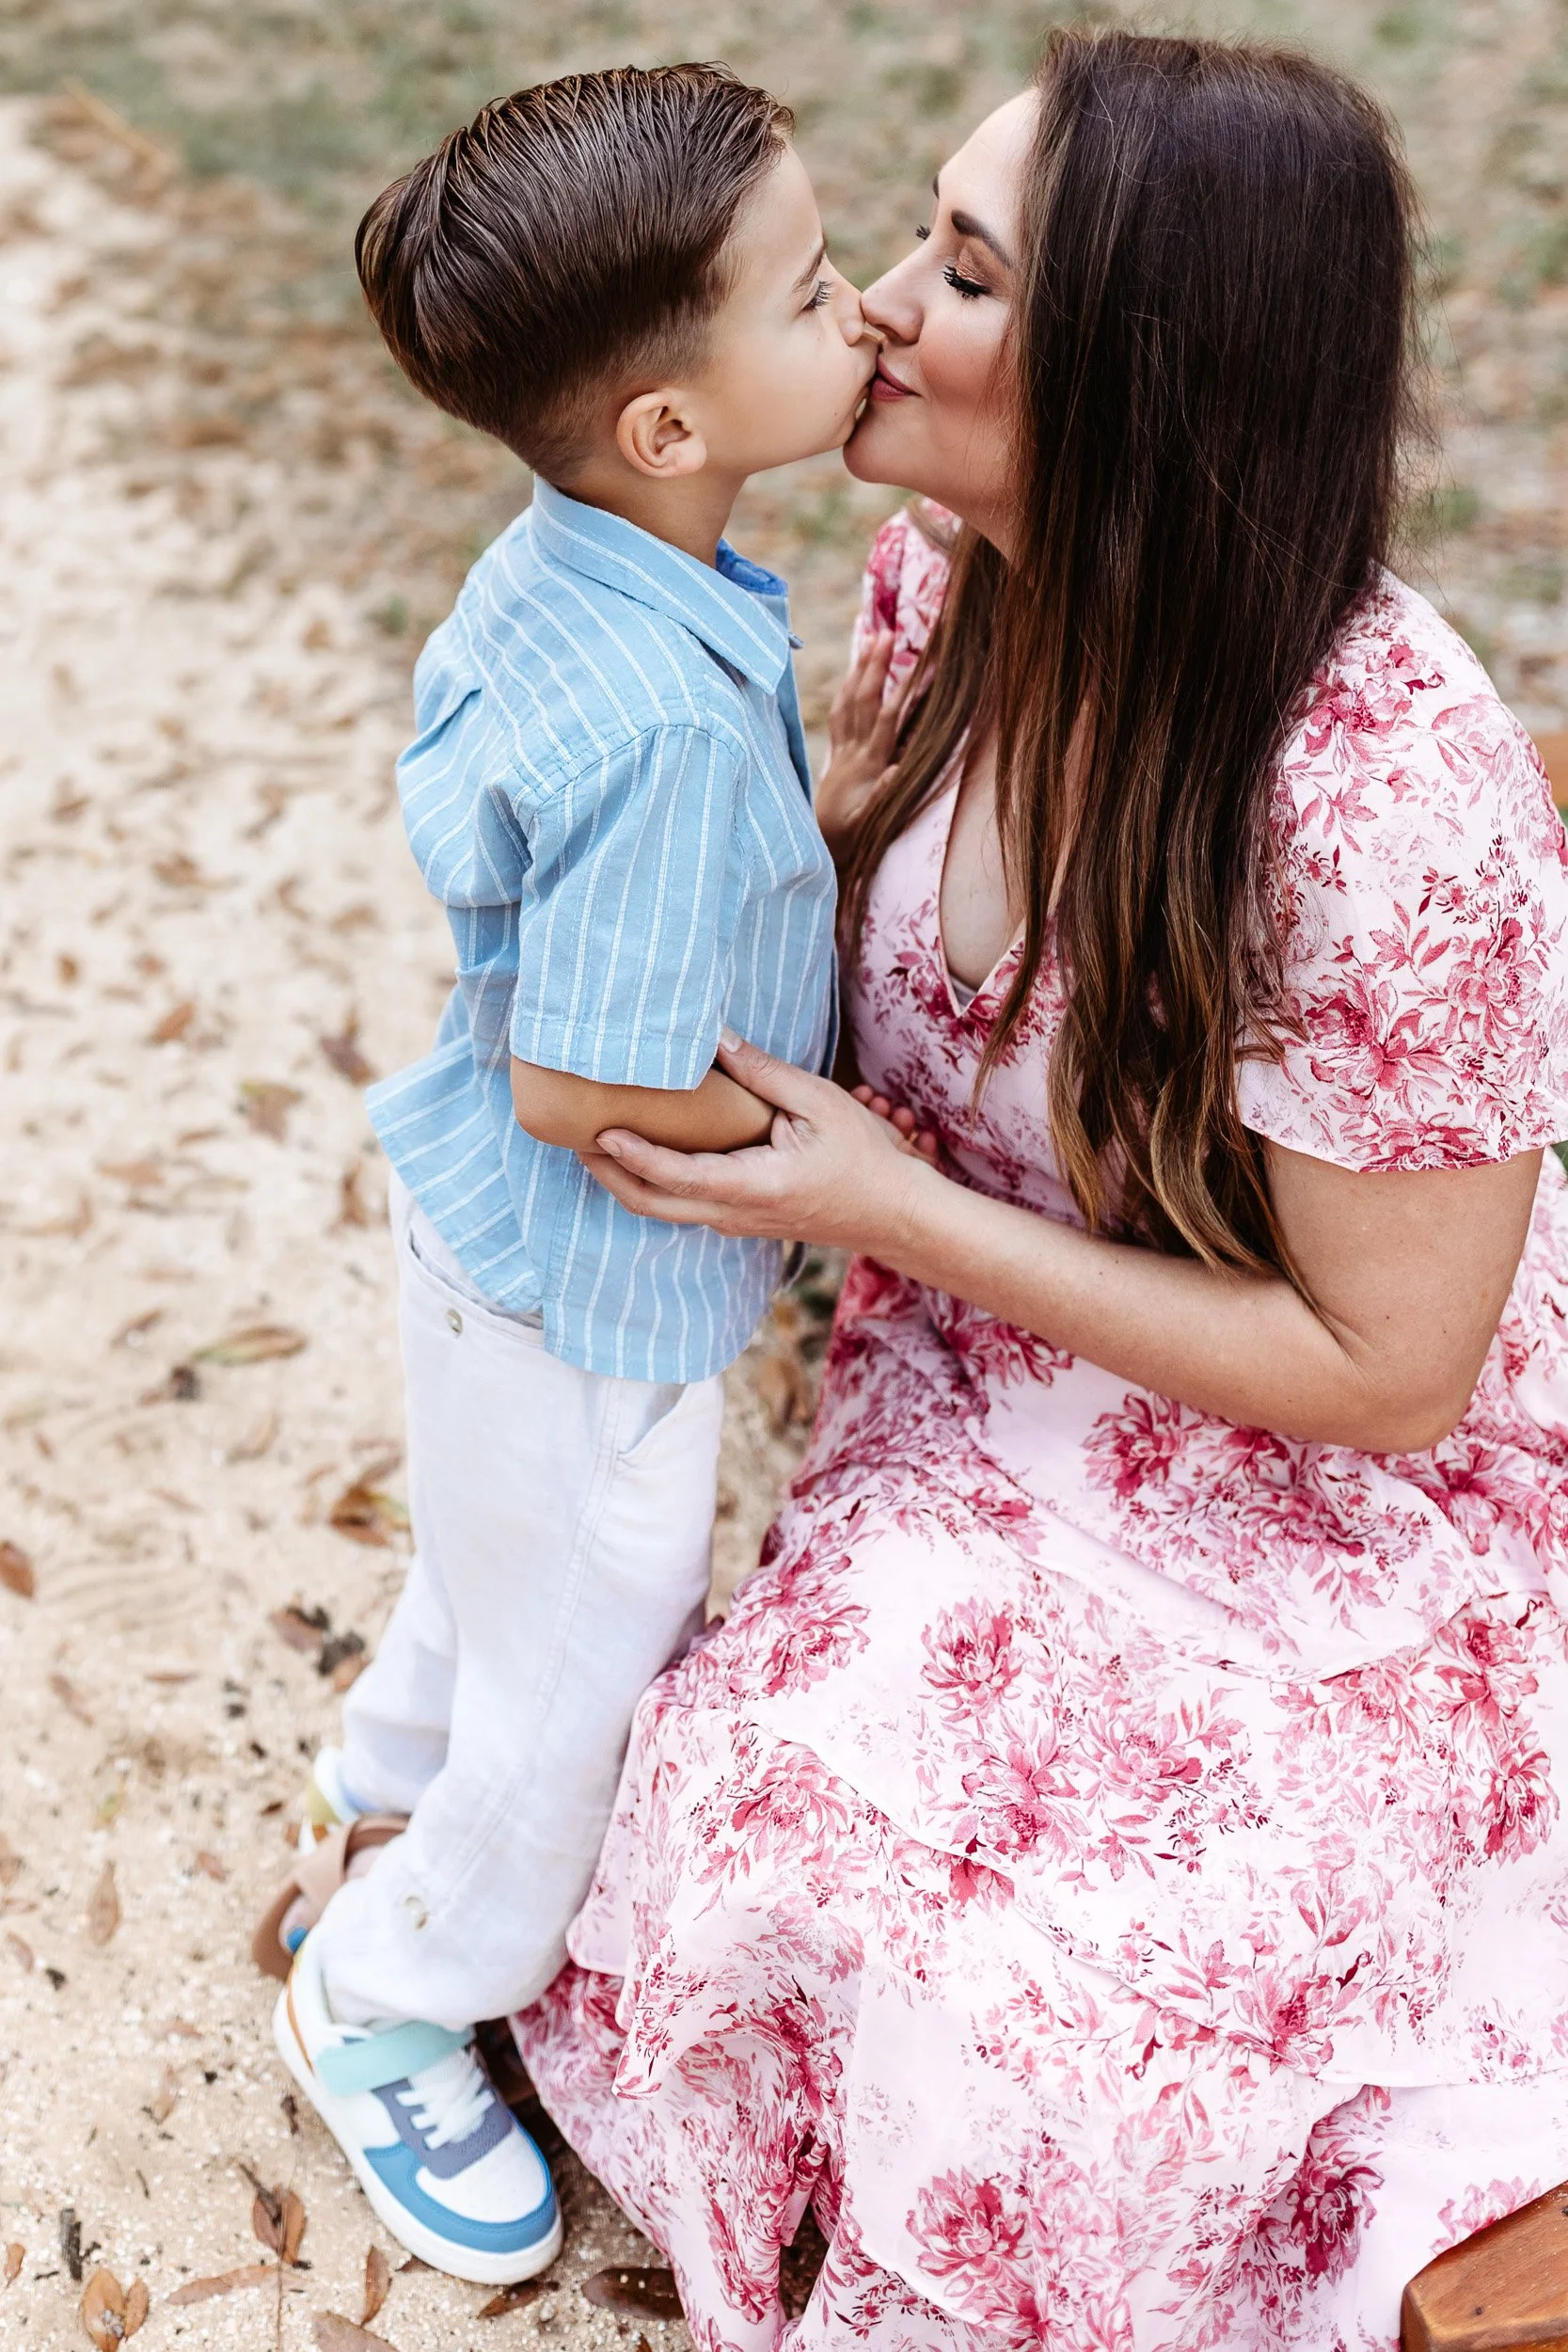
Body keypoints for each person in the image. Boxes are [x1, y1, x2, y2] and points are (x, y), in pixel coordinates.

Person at [511, 29, 1568, 2351]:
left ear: (1144, 383)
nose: (875, 302)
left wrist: (903, 1214)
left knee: (1086, 2027)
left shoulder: (1378, 796)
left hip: (1324, 1488)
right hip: (978, 1397)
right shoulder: (938, 582)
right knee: (746, 1814)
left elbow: (1390, 1372)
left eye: (960, 272)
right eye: (911, 235)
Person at [257, 63, 877, 2284]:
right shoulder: (654, 727)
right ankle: (395, 1983)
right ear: (666, 429)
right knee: (586, 1663)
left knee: (486, 1559)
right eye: (814, 298)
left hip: (491, 1251)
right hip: (585, 1276)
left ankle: (381, 1764)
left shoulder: (593, 563)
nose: (872, 320)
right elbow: (573, 1081)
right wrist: (830, 1146)